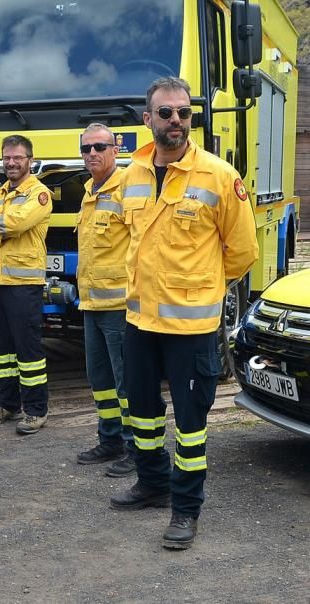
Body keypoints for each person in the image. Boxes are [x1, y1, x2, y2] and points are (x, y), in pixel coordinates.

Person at [110, 77, 258, 549]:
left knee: (190, 424)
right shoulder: (130, 173)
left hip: (191, 325)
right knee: (143, 412)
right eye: (167, 113)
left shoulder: (217, 175)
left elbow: (242, 251)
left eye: (184, 113)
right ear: (147, 118)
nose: (177, 121)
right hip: (139, 321)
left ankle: (185, 509)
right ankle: (151, 482)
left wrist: (204, 286)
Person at [0, 134, 52, 435]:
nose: (11, 162)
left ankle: (36, 410)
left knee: (27, 351)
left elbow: (16, 224)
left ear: (29, 160)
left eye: (17, 157)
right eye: (7, 157)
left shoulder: (39, 194)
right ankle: (8, 404)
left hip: (23, 285)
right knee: (1, 351)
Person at [76, 123, 136, 478]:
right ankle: (110, 438)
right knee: (99, 378)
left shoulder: (127, 187)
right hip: (91, 305)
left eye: (100, 146)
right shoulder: (89, 190)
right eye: (86, 149)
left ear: (116, 149)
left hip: (120, 306)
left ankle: (135, 446)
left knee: (126, 381)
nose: (93, 153)